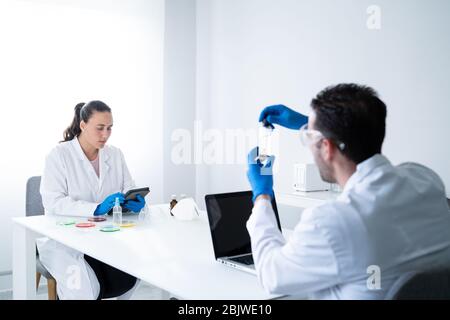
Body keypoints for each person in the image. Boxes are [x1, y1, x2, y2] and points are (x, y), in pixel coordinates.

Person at [246, 84, 450, 299]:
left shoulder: (332, 222)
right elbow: (362, 144)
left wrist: (262, 195)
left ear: (327, 147)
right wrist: (313, 127)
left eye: (311, 138)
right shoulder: (425, 180)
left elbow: (271, 276)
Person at [38, 101, 146, 299]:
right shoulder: (59, 155)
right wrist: (96, 208)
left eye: (109, 128)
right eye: (99, 128)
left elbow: (128, 186)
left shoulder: (115, 154)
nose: (105, 134)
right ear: (82, 125)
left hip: (105, 236)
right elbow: (53, 202)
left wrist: (136, 200)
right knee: (83, 289)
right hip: (64, 239)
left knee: (135, 272)